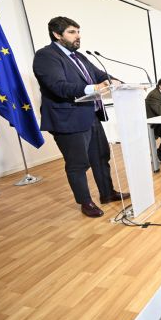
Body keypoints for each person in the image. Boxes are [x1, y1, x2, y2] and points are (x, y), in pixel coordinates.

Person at [32, 16, 129, 218]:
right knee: (78, 164)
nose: (78, 36)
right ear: (57, 35)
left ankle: (107, 193)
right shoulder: (46, 56)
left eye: (78, 31)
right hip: (68, 120)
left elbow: (99, 74)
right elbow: (58, 86)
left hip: (90, 115)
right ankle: (85, 202)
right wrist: (95, 87)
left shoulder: (80, 57)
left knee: (101, 157)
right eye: (72, 32)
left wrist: (117, 81)